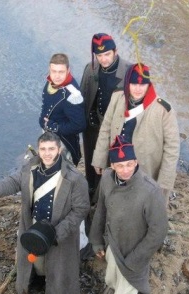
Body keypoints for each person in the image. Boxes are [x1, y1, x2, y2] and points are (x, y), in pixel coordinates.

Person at [0, 132, 90, 294]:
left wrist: (57, 233)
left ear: (59, 150)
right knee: (35, 263)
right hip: (33, 227)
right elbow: (13, 182)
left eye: (51, 149)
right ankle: (33, 283)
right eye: (43, 149)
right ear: (38, 149)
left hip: (58, 232)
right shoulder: (30, 167)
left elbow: (80, 209)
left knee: (58, 269)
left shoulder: (75, 179)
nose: (47, 153)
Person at [89, 135, 168, 294]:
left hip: (134, 253)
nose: (126, 171)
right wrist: (96, 242)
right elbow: (101, 209)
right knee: (112, 281)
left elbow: (158, 231)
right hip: (113, 246)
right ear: (112, 166)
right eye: (120, 166)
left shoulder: (150, 191)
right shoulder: (107, 178)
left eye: (129, 164)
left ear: (136, 162)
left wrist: (135, 259)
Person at [92, 63, 180, 204]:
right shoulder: (117, 97)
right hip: (118, 164)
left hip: (146, 169)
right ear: (128, 83)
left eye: (142, 84)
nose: (138, 89)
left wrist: (164, 181)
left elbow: (172, 147)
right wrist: (99, 158)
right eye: (134, 84)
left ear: (148, 84)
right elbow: (106, 128)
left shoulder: (163, 109)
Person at [80, 33, 131, 200]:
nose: (103, 59)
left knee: (111, 164)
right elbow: (82, 96)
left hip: (116, 129)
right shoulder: (90, 68)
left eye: (107, 54)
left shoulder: (129, 72)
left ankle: (106, 196)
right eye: (99, 55)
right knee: (91, 162)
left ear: (115, 51)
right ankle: (91, 188)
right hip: (93, 127)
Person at [39, 53, 86, 166]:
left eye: (61, 72)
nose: (57, 76)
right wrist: (43, 122)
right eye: (54, 71)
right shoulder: (51, 82)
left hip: (64, 142)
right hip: (49, 136)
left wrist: (54, 127)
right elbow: (46, 105)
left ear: (68, 70)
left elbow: (80, 125)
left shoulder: (73, 95)